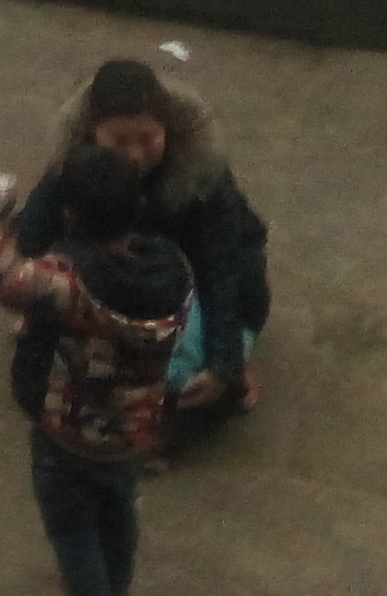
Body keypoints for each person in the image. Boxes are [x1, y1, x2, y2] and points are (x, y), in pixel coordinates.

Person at [0, 157, 191, 596]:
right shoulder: (173, 269)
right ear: (138, 207)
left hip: (68, 434)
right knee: (118, 515)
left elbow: (4, 279)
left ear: (69, 215)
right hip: (134, 433)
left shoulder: (68, 282)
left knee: (73, 531)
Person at [14, 58, 270, 422]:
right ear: (93, 132)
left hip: (201, 281)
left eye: (148, 139)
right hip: (128, 279)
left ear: (168, 128)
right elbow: (33, 233)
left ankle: (236, 351)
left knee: (188, 381)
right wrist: (37, 299)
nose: (135, 155)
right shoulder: (75, 167)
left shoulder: (202, 180)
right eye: (119, 141)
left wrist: (224, 361)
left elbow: (220, 269)